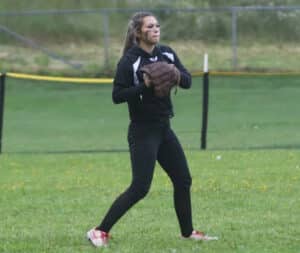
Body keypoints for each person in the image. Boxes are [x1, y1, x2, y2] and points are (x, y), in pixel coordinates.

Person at [87, 11, 218, 247]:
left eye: (157, 25)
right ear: (138, 33)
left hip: (164, 128)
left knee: (183, 179)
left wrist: (175, 73)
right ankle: (99, 231)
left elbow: (187, 81)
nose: (156, 29)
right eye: (150, 26)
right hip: (142, 130)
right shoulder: (129, 61)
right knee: (140, 187)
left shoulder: (166, 53)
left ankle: (187, 233)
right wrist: (145, 85)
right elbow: (117, 96)